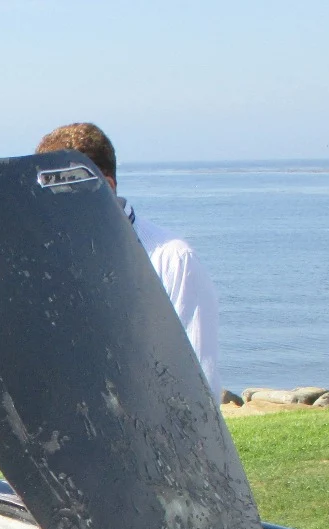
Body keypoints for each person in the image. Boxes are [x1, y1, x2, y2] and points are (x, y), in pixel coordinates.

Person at [35, 123, 222, 402]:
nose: (47, 203)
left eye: (60, 188)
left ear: (105, 187)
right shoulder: (38, 262)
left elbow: (199, 388)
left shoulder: (172, 260)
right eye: (42, 190)